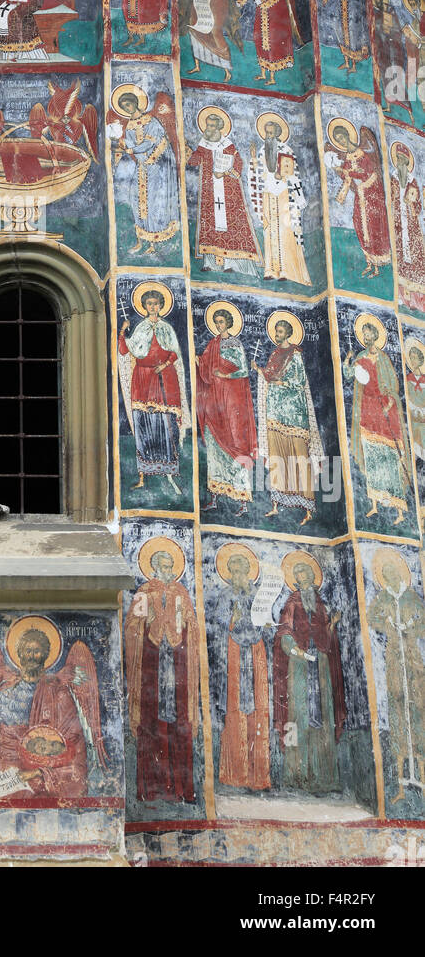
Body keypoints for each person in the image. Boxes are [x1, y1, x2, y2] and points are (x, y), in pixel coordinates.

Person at [0, 625, 105, 800]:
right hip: (9, 772)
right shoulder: (4, 694)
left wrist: (40, 770)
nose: (31, 656)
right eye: (27, 651)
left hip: (45, 770)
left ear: (45, 655)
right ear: (19, 655)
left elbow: (73, 741)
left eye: (37, 651)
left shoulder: (59, 692)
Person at [124, 542, 198, 803]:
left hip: (177, 664)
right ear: (153, 568)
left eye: (170, 567)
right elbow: (133, 625)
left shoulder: (181, 592)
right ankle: (150, 790)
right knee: (150, 722)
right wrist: (146, 625)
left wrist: (185, 630)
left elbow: (192, 626)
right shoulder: (145, 592)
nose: (167, 571)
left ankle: (180, 790)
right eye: (163, 566)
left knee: (179, 724)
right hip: (151, 665)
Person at [274, 557, 345, 796]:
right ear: (296, 580)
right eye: (301, 574)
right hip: (300, 664)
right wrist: (296, 651)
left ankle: (324, 777)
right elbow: (284, 631)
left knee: (324, 717)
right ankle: (298, 776)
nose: (306, 579)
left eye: (308, 574)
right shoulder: (292, 602)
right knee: (299, 716)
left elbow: (325, 635)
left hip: (321, 664)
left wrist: (332, 625)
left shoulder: (320, 603)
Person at [118, 288, 189, 494]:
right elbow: (126, 349)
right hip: (143, 377)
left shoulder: (166, 328)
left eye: (156, 303)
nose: (152, 307)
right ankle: (143, 475)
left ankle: (169, 473)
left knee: (166, 423)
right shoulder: (140, 328)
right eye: (149, 303)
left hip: (164, 378)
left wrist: (165, 365)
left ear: (160, 305)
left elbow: (175, 353)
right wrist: (123, 331)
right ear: (144, 306)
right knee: (143, 422)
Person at [367, 551, 425, 803]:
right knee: (398, 712)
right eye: (386, 574)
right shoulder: (382, 597)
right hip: (393, 659)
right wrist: (390, 625)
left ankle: (421, 778)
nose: (390, 577)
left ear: (401, 574)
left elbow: (422, 621)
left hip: (412, 659)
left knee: (419, 713)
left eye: (394, 573)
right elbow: (372, 618)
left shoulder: (412, 596)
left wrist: (410, 627)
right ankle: (401, 785)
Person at [254, 315, 323, 523]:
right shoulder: (275, 353)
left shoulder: (295, 354)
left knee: (299, 456)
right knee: (278, 455)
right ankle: (277, 502)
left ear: (288, 334)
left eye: (280, 332)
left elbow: (300, 380)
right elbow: (269, 375)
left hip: (294, 412)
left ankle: (308, 507)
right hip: (275, 411)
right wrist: (259, 370)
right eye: (275, 332)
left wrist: (282, 384)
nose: (277, 335)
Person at [343, 319, 412, 524]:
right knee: (372, 456)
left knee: (391, 458)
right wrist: (347, 361)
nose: (365, 337)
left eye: (368, 333)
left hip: (385, 411)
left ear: (375, 335)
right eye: (363, 334)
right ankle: (374, 504)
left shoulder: (383, 358)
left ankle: (400, 510)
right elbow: (349, 376)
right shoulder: (361, 357)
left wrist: (389, 403)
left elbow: (393, 384)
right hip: (367, 410)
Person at [214, 547, 270, 792]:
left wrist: (267, 622)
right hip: (235, 652)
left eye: (241, 570)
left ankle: (259, 777)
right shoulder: (226, 594)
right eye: (233, 571)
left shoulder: (258, 593)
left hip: (256, 650)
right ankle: (236, 774)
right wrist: (232, 618)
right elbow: (218, 620)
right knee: (236, 708)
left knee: (258, 708)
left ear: (249, 572)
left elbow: (270, 621)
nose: (238, 574)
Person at [196, 306, 257, 514]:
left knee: (234, 445)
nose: (218, 325)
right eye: (216, 321)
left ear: (229, 323)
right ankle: (215, 496)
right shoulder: (212, 343)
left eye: (222, 321)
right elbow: (206, 369)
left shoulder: (234, 343)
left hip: (231, 400)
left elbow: (242, 370)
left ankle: (243, 501)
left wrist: (224, 376)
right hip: (215, 402)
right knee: (214, 448)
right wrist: (199, 363)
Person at [187, 109, 261, 275]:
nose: (209, 129)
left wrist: (226, 173)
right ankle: (211, 263)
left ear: (220, 128)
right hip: (209, 191)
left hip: (228, 191)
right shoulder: (203, 144)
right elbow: (194, 160)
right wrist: (188, 152)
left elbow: (238, 163)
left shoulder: (228, 145)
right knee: (210, 224)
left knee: (231, 225)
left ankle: (231, 263)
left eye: (213, 126)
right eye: (208, 125)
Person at [107, 88, 178, 256]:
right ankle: (140, 240)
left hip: (155, 167)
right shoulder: (129, 126)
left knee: (152, 203)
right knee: (136, 200)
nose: (127, 108)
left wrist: (131, 150)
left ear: (136, 103)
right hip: (141, 168)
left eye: (129, 104)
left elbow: (149, 143)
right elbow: (130, 146)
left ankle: (153, 242)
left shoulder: (151, 121)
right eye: (124, 106)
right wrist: (122, 145)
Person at [247, 114, 310, 285]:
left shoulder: (287, 151)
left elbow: (293, 174)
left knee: (284, 231)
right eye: (267, 133)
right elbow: (257, 174)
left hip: (283, 195)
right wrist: (253, 159)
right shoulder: (262, 151)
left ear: (278, 133)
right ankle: (270, 269)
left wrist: (282, 176)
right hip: (268, 195)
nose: (269, 136)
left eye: (272, 133)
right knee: (269, 231)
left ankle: (285, 269)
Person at [324, 121, 391, 279]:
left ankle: (378, 264)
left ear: (348, 136)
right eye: (338, 140)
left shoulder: (363, 154)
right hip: (359, 197)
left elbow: (373, 174)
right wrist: (340, 170)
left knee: (373, 226)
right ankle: (369, 262)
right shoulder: (347, 157)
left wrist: (357, 176)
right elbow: (347, 175)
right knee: (359, 224)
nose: (341, 141)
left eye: (342, 138)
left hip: (371, 196)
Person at [389, 142, 425, 311]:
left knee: (416, 259)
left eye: (403, 160)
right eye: (398, 160)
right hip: (397, 225)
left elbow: (418, 207)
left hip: (411, 227)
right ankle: (403, 297)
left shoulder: (413, 182)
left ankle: (417, 300)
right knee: (400, 258)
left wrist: (410, 203)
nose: (401, 163)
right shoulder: (393, 179)